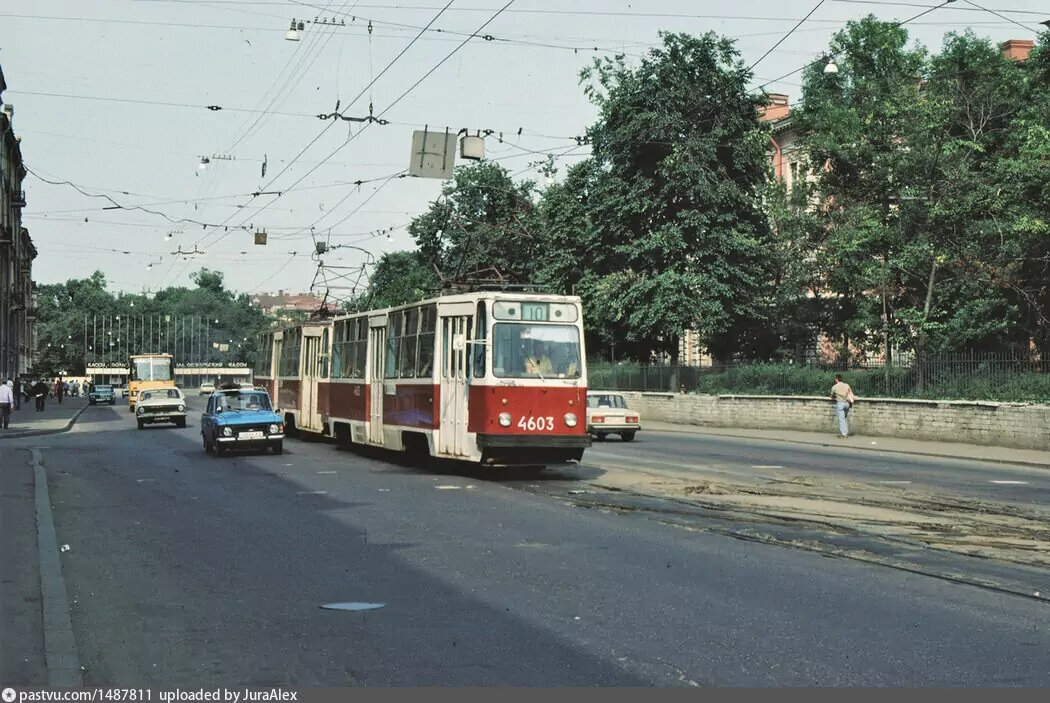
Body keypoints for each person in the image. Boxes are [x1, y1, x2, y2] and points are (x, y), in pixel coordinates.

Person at [830, 373, 856, 439]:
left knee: (841, 420)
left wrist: (834, 396)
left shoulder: (834, 387)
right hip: (847, 404)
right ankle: (845, 432)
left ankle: (844, 434)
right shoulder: (846, 385)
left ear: (836, 379)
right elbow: (850, 392)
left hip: (840, 404)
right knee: (844, 418)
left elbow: (831, 396)